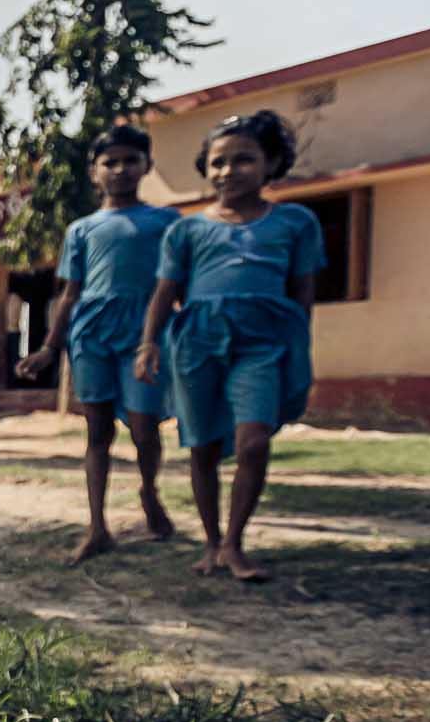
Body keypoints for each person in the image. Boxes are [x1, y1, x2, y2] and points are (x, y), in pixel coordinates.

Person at [135, 111, 324, 584]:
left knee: (254, 442)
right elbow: (165, 292)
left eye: (243, 159)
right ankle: (212, 543)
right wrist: (147, 345)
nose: (228, 171)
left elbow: (302, 292)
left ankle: (236, 543)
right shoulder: (187, 230)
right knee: (201, 445)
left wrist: (298, 343)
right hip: (197, 340)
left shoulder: (295, 223)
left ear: (270, 163)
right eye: (218, 162)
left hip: (262, 342)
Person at [18, 124, 180, 565]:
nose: (121, 169)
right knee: (98, 432)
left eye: (131, 160)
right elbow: (69, 293)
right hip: (90, 333)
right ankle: (97, 526)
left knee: (145, 427)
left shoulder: (168, 222)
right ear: (94, 172)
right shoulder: (81, 230)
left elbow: (177, 285)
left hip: (144, 333)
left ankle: (149, 491)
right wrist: (50, 347)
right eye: (110, 162)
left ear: (147, 165)